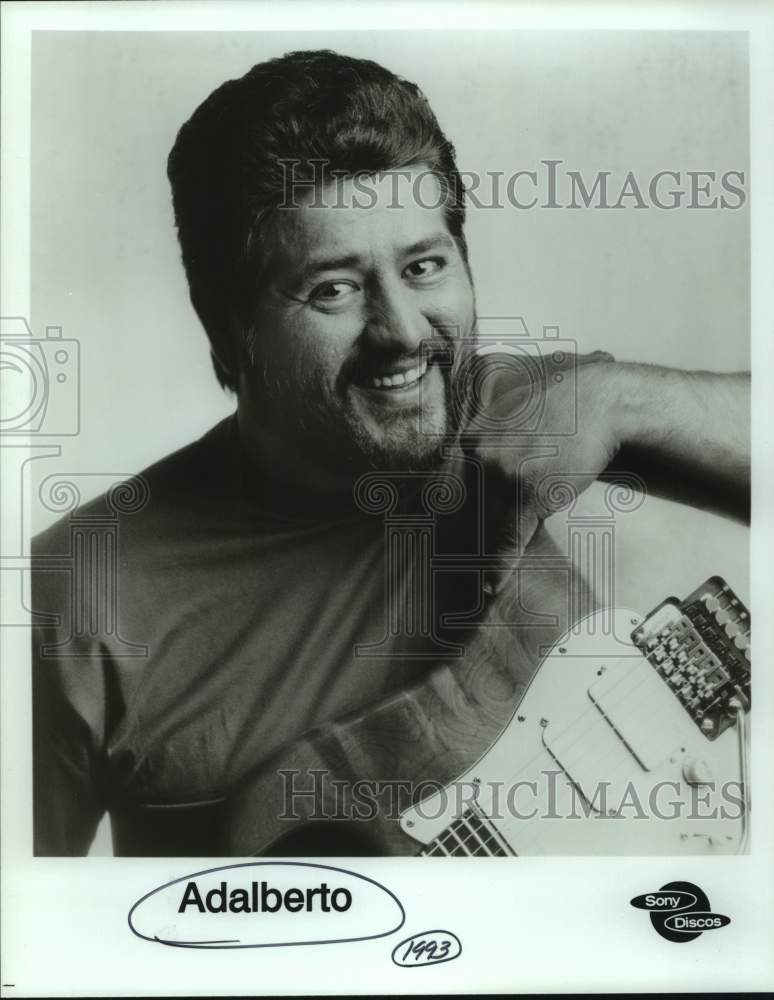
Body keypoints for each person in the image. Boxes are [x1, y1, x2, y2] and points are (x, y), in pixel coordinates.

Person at [31, 49, 750, 856]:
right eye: (334, 288)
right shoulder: (74, 596)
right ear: (227, 330)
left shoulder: (496, 409)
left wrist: (625, 400)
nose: (403, 331)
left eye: (425, 266)